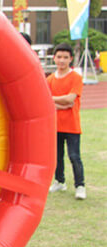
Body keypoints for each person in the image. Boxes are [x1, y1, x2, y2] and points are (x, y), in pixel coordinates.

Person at [47, 43, 86, 200]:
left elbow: (71, 99)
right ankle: (59, 181)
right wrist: (60, 103)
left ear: (70, 59)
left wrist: (51, 100)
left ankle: (80, 185)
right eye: (59, 57)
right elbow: (46, 102)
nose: (62, 60)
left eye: (65, 57)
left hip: (72, 125)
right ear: (54, 59)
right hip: (55, 125)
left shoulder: (76, 77)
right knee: (57, 156)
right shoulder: (49, 79)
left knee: (74, 156)